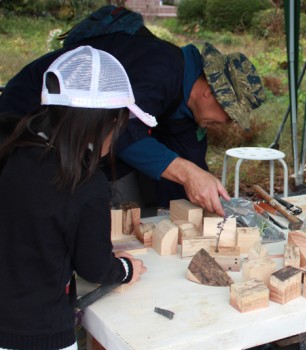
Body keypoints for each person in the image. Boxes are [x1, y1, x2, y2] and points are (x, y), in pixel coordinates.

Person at [0, 6, 265, 216]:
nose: (226, 124)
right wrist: (186, 173)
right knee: (43, 214)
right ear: (210, 94)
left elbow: (189, 166)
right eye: (229, 116)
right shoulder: (159, 68)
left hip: (83, 140)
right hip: (30, 121)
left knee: (138, 197)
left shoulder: (189, 108)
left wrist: (208, 199)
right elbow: (122, 132)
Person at [0, 46, 147, 350]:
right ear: (102, 124)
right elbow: (94, 266)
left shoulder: (15, 156)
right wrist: (126, 269)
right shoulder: (85, 185)